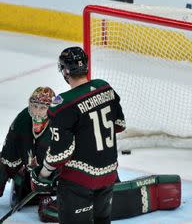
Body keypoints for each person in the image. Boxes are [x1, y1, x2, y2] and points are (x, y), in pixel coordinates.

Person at [30, 46, 126, 224]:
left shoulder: (62, 105)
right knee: (102, 220)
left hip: (79, 181)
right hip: (109, 174)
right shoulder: (105, 87)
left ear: (65, 71)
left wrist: (42, 175)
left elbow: (60, 154)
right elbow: (119, 125)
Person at [0, 86, 58, 222]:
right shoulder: (22, 119)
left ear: (51, 109)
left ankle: (47, 196)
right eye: (34, 106)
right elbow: (8, 155)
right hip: (29, 174)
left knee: (49, 214)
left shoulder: (60, 122)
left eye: (43, 108)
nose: (37, 112)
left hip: (55, 179)